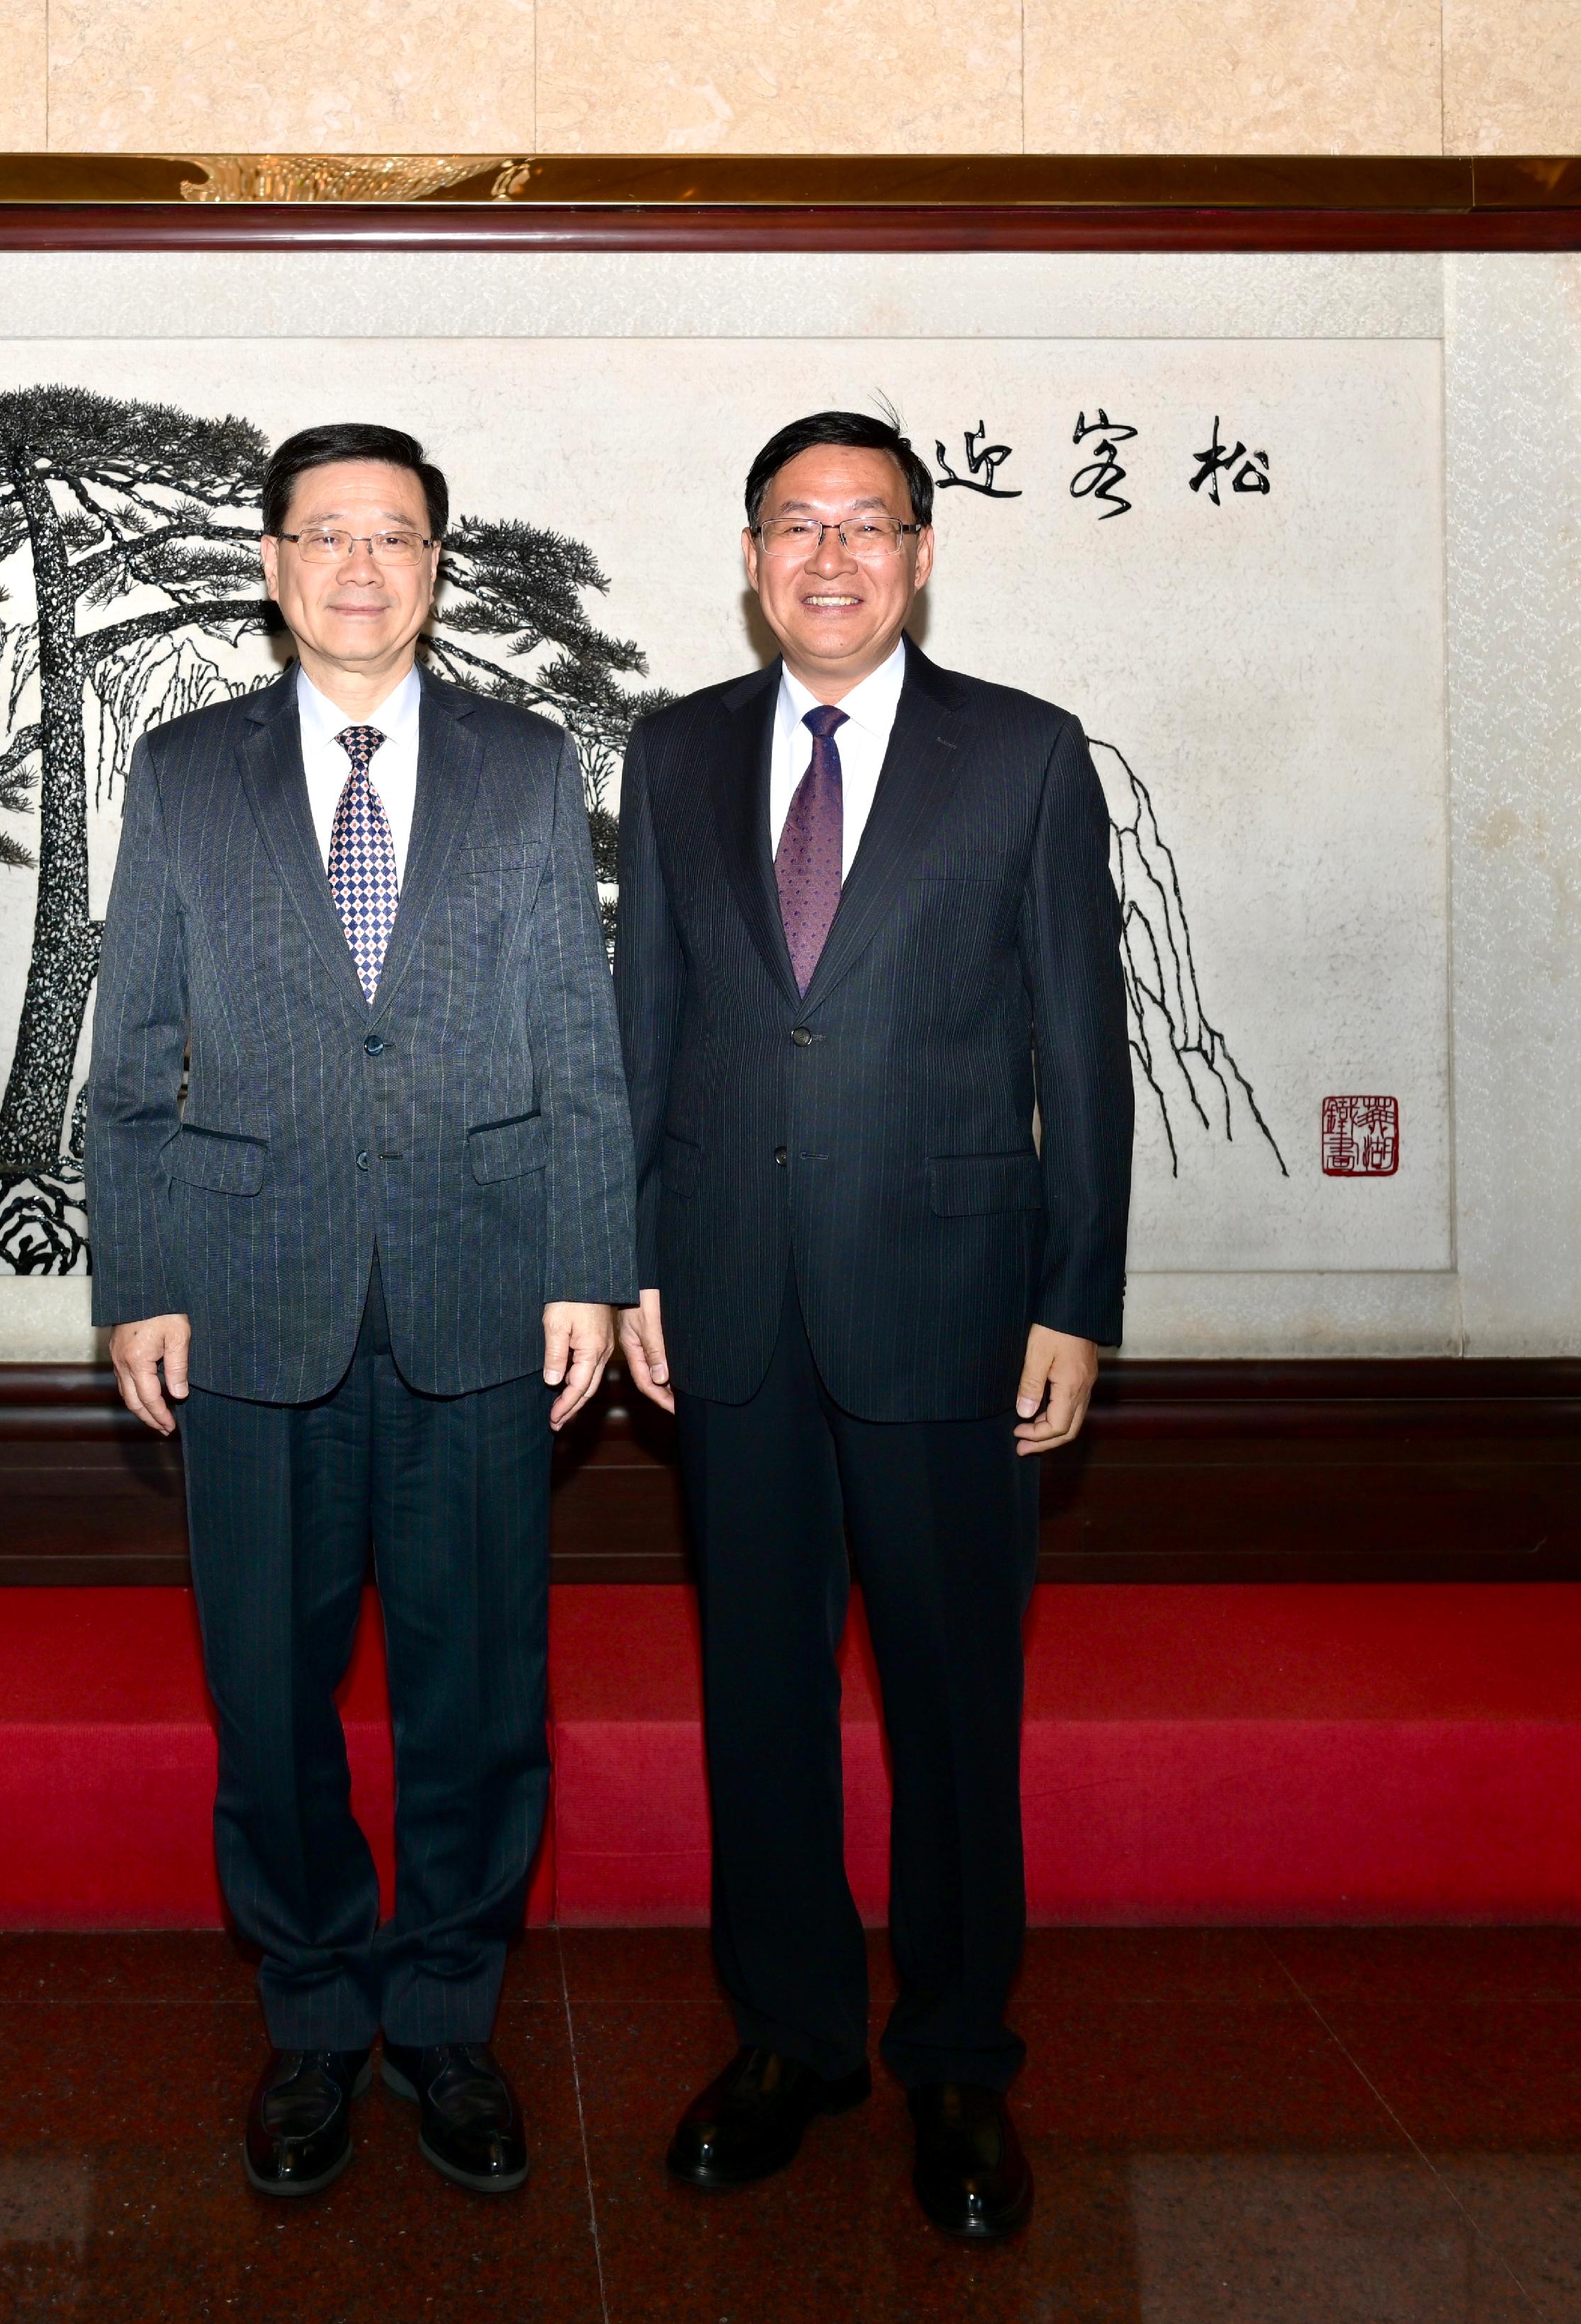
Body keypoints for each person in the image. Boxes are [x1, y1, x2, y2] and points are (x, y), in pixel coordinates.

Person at [87, 422, 637, 2201]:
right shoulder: (180, 772)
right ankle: (316, 2014)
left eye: (392, 537)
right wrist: (137, 1283)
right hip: (245, 1302)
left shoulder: (522, 763)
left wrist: (586, 1259)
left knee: (479, 1691)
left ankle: (450, 2016)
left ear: (432, 566)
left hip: (483, 1296)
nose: (356, 568)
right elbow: (132, 1059)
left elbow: (576, 1040)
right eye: (322, 535)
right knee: (268, 1688)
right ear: (268, 562)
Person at [610, 410, 1133, 2243]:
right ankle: (792, 2035)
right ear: (750, 553)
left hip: (953, 1304)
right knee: (759, 1695)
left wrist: (1080, 1292)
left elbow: (1087, 1044)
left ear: (921, 553)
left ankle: (960, 2052)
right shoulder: (670, 753)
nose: (828, 559)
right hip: (732, 1298)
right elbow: (645, 1036)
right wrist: (629, 1261)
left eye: (866, 526)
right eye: (793, 526)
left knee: (950, 1704)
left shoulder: (1027, 755)